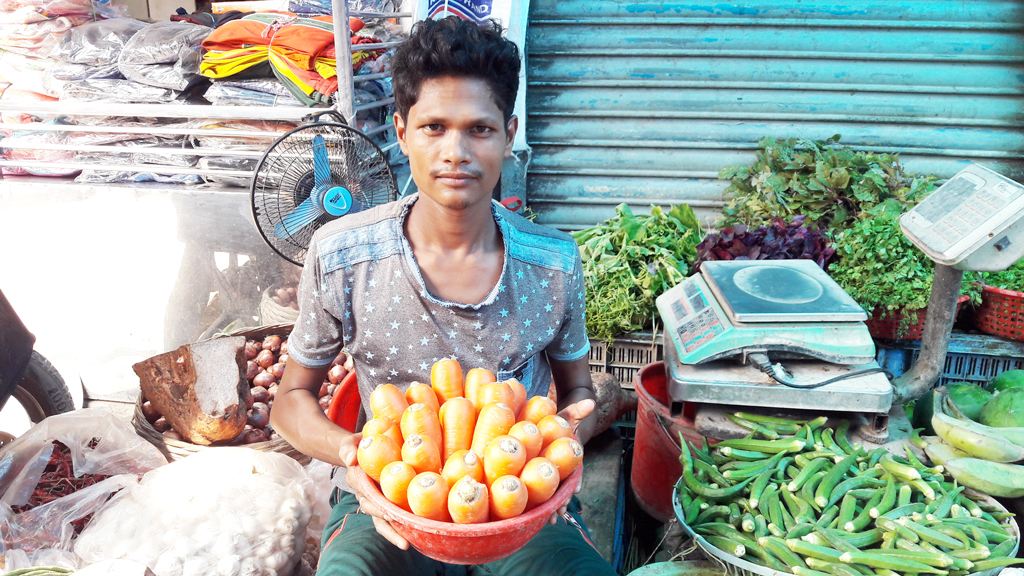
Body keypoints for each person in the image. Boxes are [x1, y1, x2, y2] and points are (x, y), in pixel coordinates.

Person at [271, 16, 616, 576]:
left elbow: (578, 388)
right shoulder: (342, 256)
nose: (455, 151)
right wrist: (354, 456)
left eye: (479, 129)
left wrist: (561, 440)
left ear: (509, 134)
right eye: (434, 127)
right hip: (395, 497)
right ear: (402, 132)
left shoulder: (552, 263)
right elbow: (290, 403)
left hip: (517, 502)